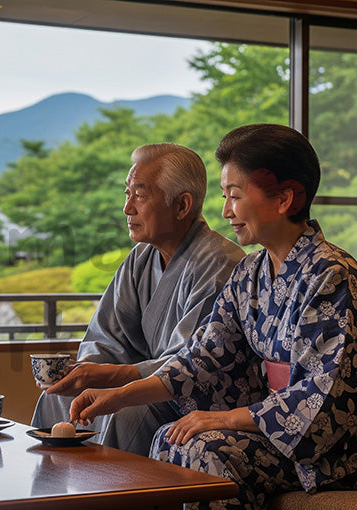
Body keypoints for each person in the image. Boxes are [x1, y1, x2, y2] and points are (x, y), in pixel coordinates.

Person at [69, 124, 357, 510]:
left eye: (235, 195)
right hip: (282, 428)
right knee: (169, 438)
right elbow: (203, 358)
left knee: (203, 447)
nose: (226, 211)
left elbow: (325, 395)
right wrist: (120, 394)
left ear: (284, 198)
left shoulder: (333, 276)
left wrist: (224, 419)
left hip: (343, 448)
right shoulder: (250, 273)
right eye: (225, 196)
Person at [31, 142, 244, 457]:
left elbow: (191, 362)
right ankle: (56, 498)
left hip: (187, 397)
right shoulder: (141, 258)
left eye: (140, 196)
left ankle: (117, 505)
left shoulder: (219, 262)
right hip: (138, 384)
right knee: (58, 397)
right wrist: (86, 371)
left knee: (125, 412)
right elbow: (106, 337)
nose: (128, 208)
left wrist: (118, 383)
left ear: (182, 206)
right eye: (126, 194)